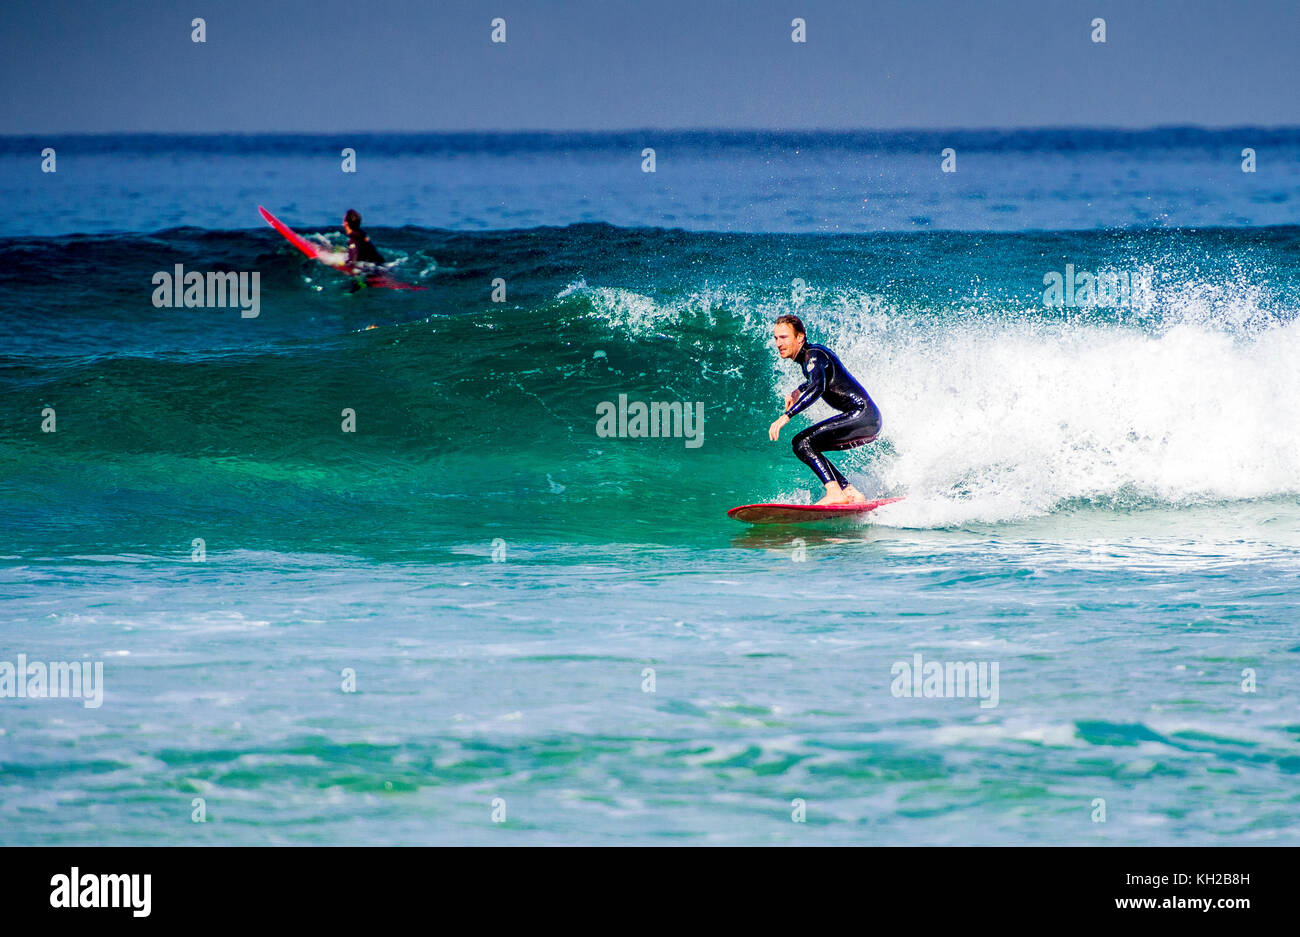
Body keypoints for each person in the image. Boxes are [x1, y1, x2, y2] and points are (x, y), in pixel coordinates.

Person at [767, 314, 881, 505]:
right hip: (868, 418)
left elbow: (818, 387)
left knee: (803, 442)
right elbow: (819, 378)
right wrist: (799, 389)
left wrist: (787, 416)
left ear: (800, 337)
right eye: (776, 338)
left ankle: (835, 493)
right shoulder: (813, 356)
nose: (778, 343)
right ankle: (850, 492)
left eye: (784, 337)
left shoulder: (814, 355)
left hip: (862, 415)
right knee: (807, 445)